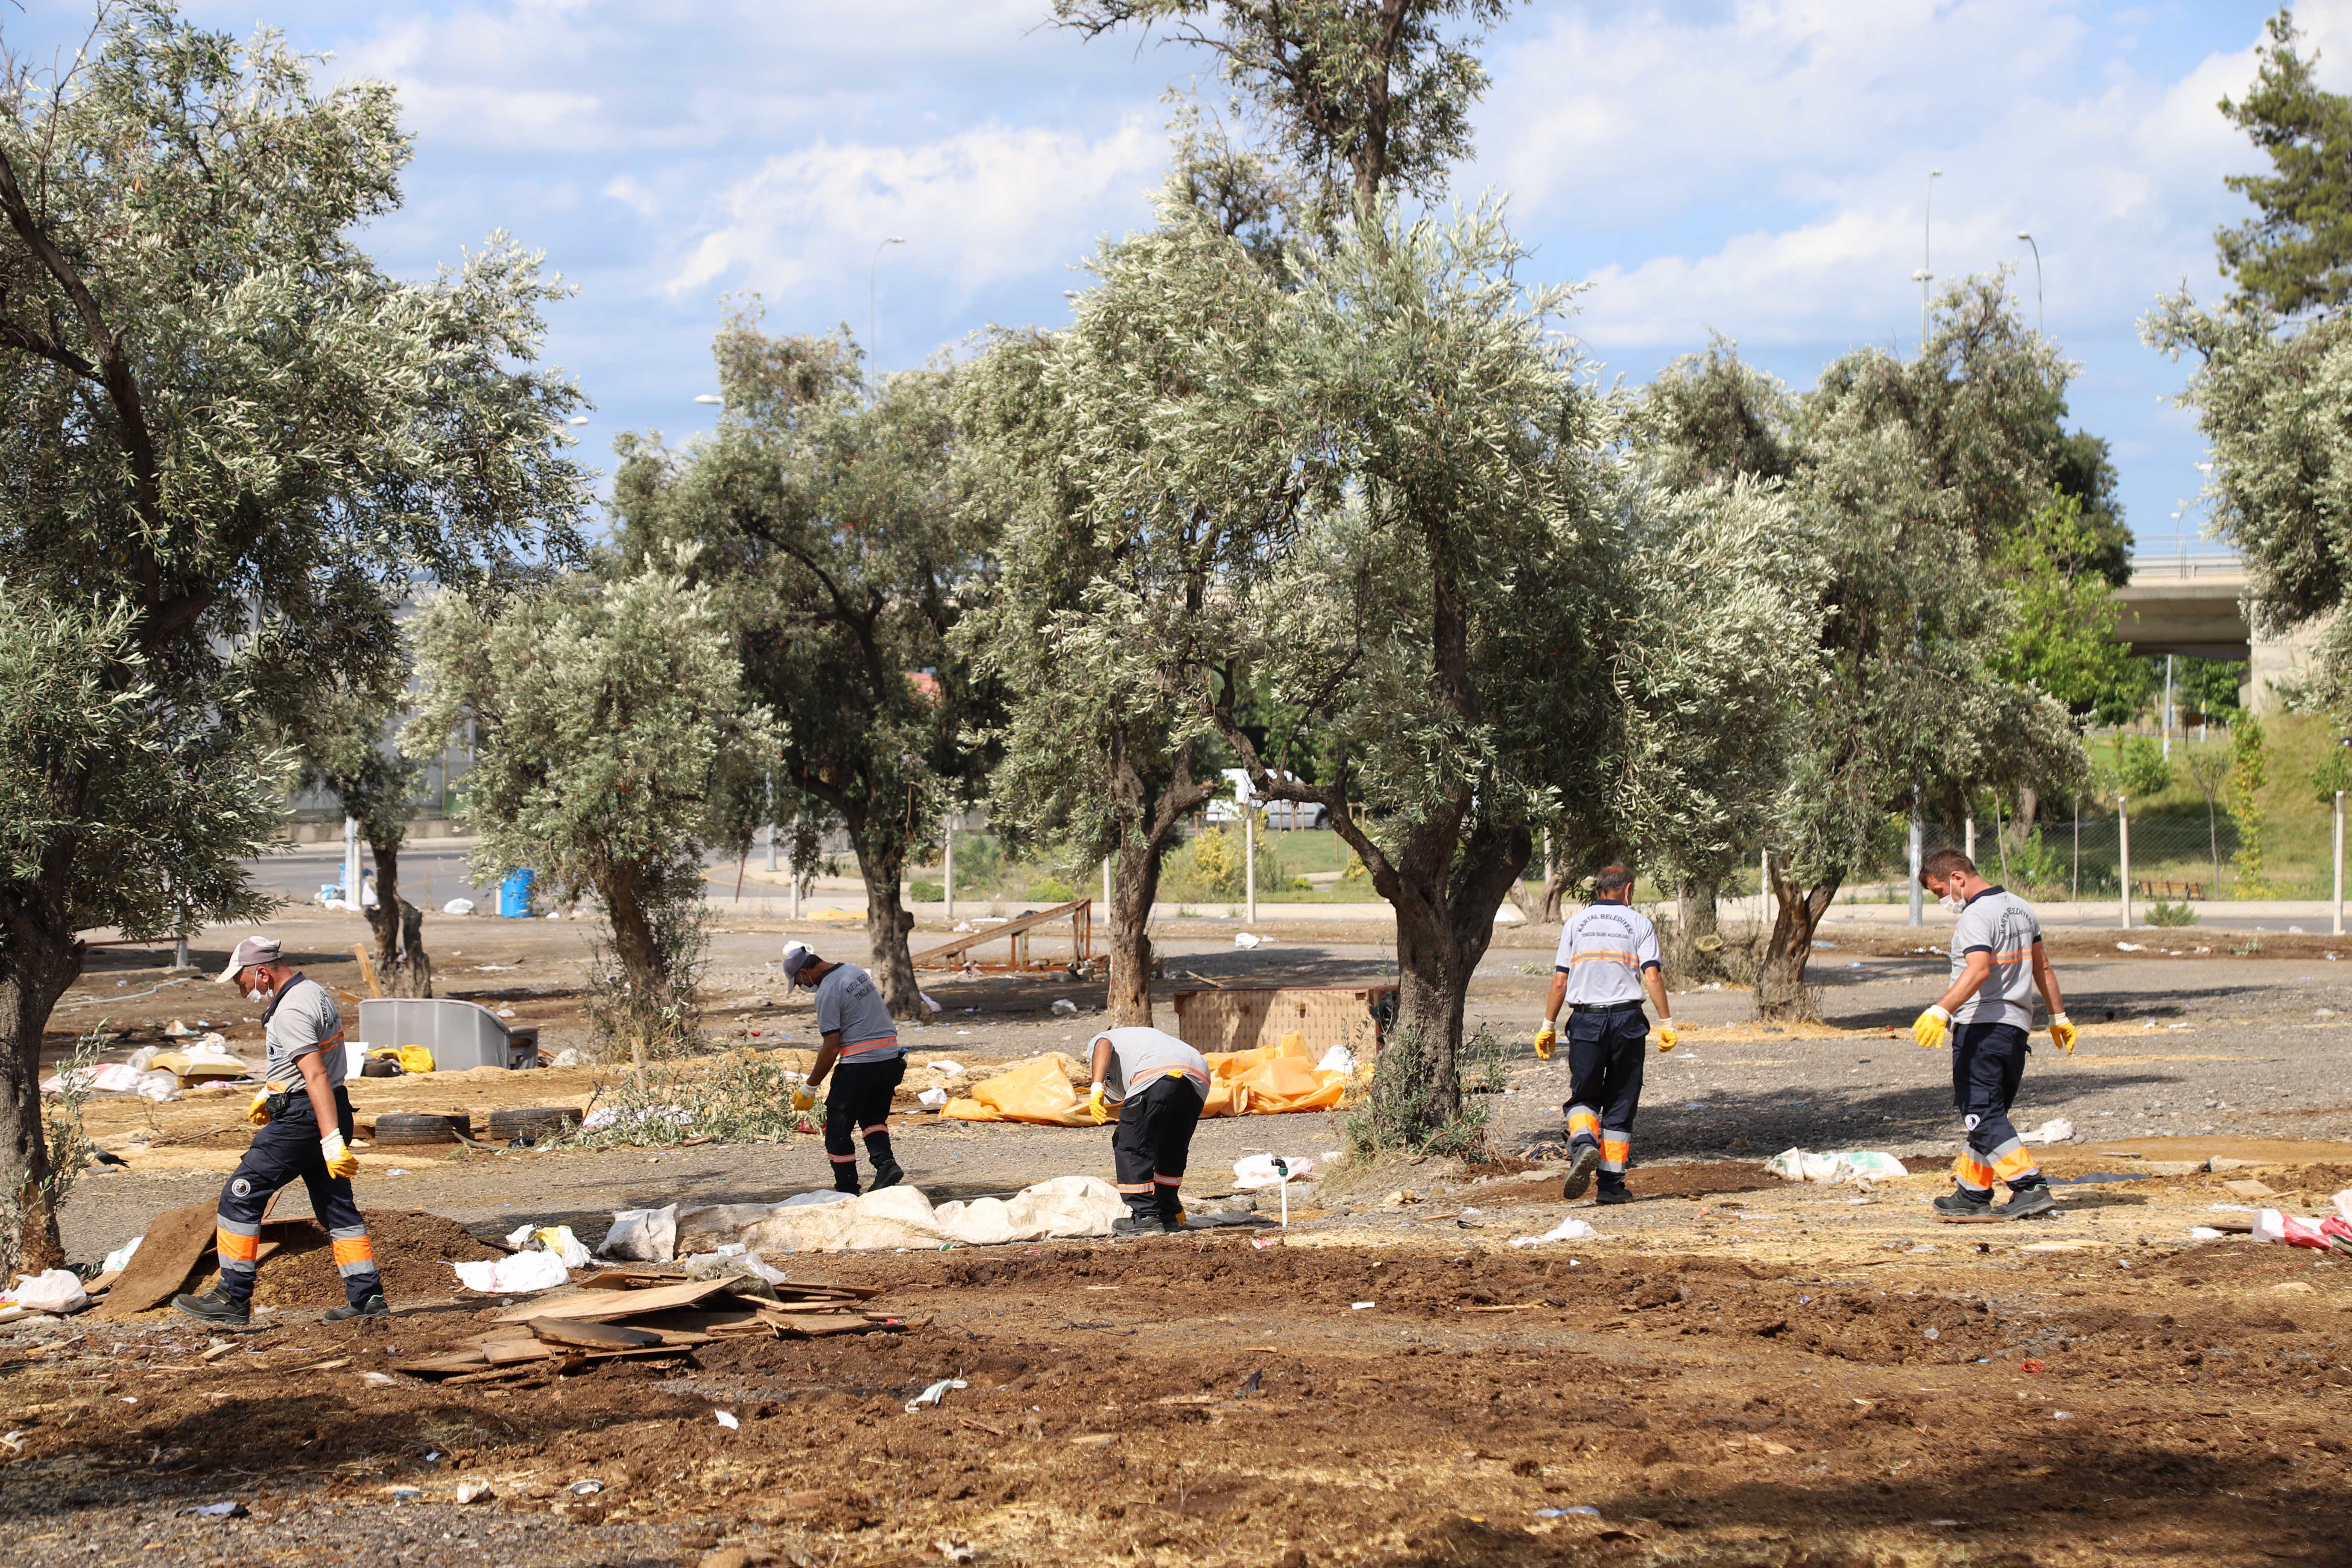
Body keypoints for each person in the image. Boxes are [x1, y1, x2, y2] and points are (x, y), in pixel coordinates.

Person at [174, 936, 387, 1327]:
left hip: (305, 1119)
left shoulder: (289, 1009)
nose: (241, 990)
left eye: (241, 981)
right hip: (331, 1106)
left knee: (241, 1194)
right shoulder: (313, 991)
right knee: (337, 1207)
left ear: (262, 971)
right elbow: (317, 1063)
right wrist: (271, 1089)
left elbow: (315, 1074)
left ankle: (232, 1296)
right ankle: (367, 1297)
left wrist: (329, 1140)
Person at [1910, 850, 2077, 1220]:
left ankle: (2029, 1186)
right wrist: (2058, 1016)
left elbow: (1979, 969)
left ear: (1957, 878)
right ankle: (1972, 1191)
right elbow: (2043, 966)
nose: (1943, 899)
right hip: (2016, 1030)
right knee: (1991, 1113)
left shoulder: (1976, 915)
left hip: (1982, 1028)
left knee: (1980, 1112)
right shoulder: (2021, 908)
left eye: (1940, 890)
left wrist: (1941, 1009)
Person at [1533, 864, 1679, 1205]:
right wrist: (1667, 1022)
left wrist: (1548, 1025)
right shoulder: (1639, 923)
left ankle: (1583, 1141)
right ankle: (1612, 1186)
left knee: (1583, 1095)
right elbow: (1653, 977)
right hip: (1628, 1021)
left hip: (1586, 1021)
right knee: (1621, 1100)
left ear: (1598, 890)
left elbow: (1560, 981)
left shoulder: (1575, 924)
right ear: (1627, 890)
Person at [781, 941, 906, 1194]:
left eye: (798, 982)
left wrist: (810, 1087)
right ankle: (886, 1166)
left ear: (805, 973)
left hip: (859, 1066)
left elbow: (832, 1047)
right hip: (890, 1061)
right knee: (872, 1118)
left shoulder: (827, 991)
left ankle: (847, 1190)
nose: (802, 987)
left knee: (838, 1131)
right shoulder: (855, 972)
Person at [1084, 1025, 1211, 1236]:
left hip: (1157, 1070)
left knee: (1131, 1144)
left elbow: (1103, 1044)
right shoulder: (1142, 1042)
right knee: (1172, 1146)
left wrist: (1097, 1086)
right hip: (1198, 1075)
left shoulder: (1104, 1042)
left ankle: (1145, 1216)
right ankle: (1167, 1213)